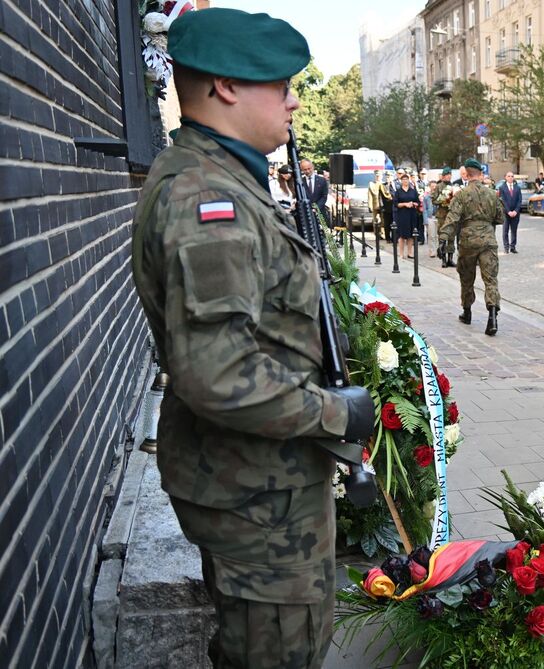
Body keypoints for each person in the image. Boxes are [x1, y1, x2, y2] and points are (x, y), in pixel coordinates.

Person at [130, 9, 375, 667]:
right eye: (281, 85)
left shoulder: (224, 180)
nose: (294, 101)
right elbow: (217, 370)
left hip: (261, 483)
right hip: (258, 498)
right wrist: (336, 413)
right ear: (227, 86)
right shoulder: (209, 199)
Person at [440, 159, 504, 335]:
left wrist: (443, 239)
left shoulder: (461, 195)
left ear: (467, 175)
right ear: (481, 175)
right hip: (488, 240)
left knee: (467, 278)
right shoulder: (492, 194)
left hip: (468, 241)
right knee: (490, 279)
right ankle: (492, 317)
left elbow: (452, 218)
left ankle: (467, 312)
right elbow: (500, 218)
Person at [392, 172, 421, 259]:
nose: (405, 181)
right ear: (401, 181)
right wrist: (405, 204)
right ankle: (401, 253)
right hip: (402, 215)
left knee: (411, 235)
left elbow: (418, 202)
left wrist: (413, 203)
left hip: (412, 214)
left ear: (409, 180)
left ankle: (410, 253)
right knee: (402, 235)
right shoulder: (398, 192)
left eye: (406, 179)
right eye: (403, 179)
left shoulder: (413, 191)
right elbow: (396, 204)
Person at [434, 167, 457, 267]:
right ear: (443, 176)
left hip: (452, 215)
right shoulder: (438, 186)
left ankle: (450, 259)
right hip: (442, 215)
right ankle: (443, 259)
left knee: (451, 237)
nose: (449, 176)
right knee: (442, 237)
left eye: (450, 175)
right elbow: (434, 200)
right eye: (447, 175)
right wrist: (443, 200)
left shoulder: (453, 186)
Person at [300, 158, 330, 225]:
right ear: (302, 170)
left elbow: (324, 196)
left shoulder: (322, 180)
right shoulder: (300, 182)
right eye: (305, 169)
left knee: (323, 231)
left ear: (313, 167)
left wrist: (316, 208)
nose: (308, 171)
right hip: (306, 214)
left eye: (309, 168)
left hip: (320, 213)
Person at [499, 171, 522, 253]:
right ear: (505, 177)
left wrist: (516, 211)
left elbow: (519, 201)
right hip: (506, 213)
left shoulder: (517, 188)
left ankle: (513, 247)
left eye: (512, 176)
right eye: (508, 176)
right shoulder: (502, 188)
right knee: (505, 231)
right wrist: (508, 211)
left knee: (514, 230)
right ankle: (506, 247)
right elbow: (502, 201)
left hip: (515, 213)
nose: (510, 177)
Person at [423, 181, 438, 259]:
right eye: (432, 186)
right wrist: (425, 220)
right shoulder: (426, 197)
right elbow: (424, 209)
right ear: (430, 187)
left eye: (435, 186)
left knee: (437, 235)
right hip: (430, 217)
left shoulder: (440, 196)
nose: (434, 188)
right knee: (431, 235)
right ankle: (432, 251)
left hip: (438, 217)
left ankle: (438, 250)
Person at [368, 170, 383, 235]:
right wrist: (370, 206)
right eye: (377, 176)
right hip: (375, 205)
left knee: (383, 220)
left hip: (383, 205)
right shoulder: (371, 184)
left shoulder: (384, 184)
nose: (378, 177)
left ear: (382, 176)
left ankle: (383, 234)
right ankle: (376, 234)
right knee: (375, 220)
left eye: (379, 176)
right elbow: (370, 196)